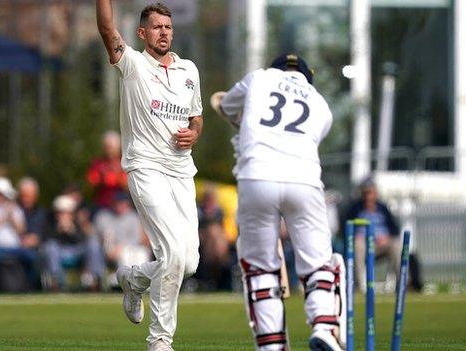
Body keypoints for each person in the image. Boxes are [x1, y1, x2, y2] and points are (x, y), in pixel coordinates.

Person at [214, 54, 346, 350]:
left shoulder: (259, 77)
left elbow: (225, 105)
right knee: (318, 264)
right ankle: (324, 326)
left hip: (256, 175)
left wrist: (241, 118)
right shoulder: (322, 104)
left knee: (261, 268)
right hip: (305, 179)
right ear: (307, 77)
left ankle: (272, 345)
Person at [97, 2, 203, 350]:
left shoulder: (189, 70)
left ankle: (133, 278)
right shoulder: (134, 65)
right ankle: (159, 340)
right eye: (156, 27)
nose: (164, 33)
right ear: (142, 33)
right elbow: (107, 29)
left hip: (181, 170)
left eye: (168, 27)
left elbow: (196, 117)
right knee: (172, 251)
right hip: (145, 167)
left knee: (188, 263)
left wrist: (195, 134)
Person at [0, 177, 38, 290]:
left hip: (14, 248)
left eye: (0, 194)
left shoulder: (15, 209)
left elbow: (21, 230)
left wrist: (12, 218)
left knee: (31, 256)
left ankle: (31, 285)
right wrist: (3, 217)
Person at [344, 177, 401, 292]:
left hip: (382, 244)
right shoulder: (355, 209)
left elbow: (395, 229)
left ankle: (402, 283)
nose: (368, 196)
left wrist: (387, 238)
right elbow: (347, 227)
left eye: (370, 192)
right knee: (357, 245)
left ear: (375, 193)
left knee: (396, 245)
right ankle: (361, 286)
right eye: (366, 193)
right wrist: (356, 235)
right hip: (364, 244)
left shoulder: (383, 208)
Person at [43, 195, 105, 291]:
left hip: (78, 253)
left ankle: (95, 281)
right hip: (60, 253)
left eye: (66, 213)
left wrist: (72, 231)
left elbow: (85, 240)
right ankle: (55, 282)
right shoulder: (49, 223)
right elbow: (45, 240)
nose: (63, 216)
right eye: (60, 212)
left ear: (71, 213)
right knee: (51, 247)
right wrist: (58, 231)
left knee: (93, 245)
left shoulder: (79, 222)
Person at [94, 191, 150, 273]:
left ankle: (143, 282)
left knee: (141, 254)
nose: (120, 206)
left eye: (123, 203)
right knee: (125, 256)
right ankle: (123, 282)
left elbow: (138, 238)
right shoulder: (104, 216)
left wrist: (122, 246)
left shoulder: (133, 217)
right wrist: (110, 248)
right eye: (118, 203)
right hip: (109, 250)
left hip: (131, 248)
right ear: (113, 203)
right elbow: (98, 236)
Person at [87, 131, 128, 209]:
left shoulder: (125, 163)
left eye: (111, 147)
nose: (109, 150)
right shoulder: (97, 163)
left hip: (123, 206)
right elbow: (92, 182)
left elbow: (127, 184)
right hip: (103, 205)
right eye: (107, 147)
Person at [17, 177, 46, 252]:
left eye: (29, 196)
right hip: (16, 249)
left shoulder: (42, 213)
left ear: (36, 196)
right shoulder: (13, 211)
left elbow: (45, 235)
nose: (26, 199)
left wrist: (36, 240)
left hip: (37, 251)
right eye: (23, 196)